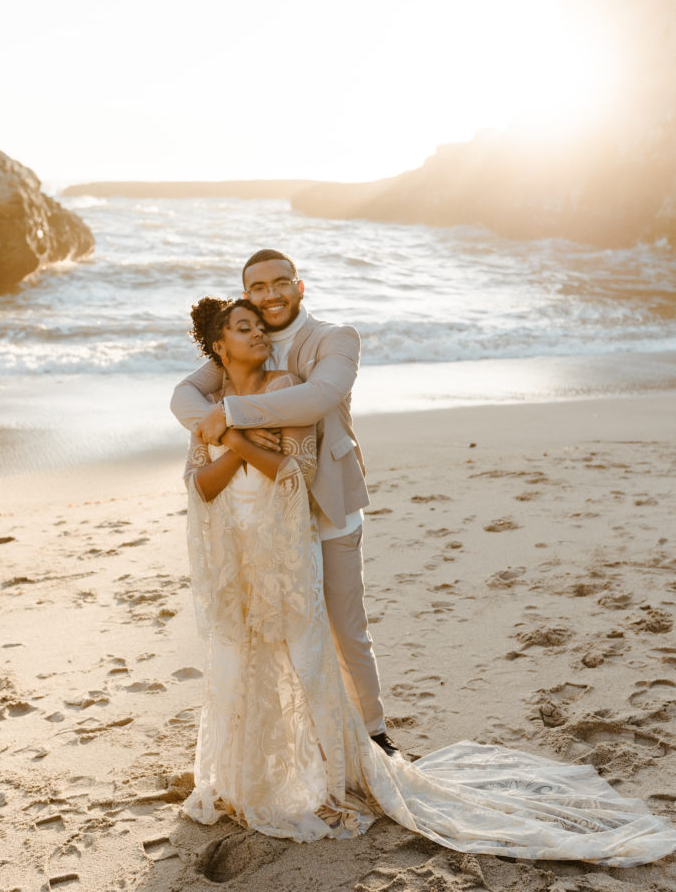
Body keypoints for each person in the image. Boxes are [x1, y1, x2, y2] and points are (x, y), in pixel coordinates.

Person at [180, 294, 676, 862]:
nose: (258, 334)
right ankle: (247, 783)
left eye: (258, 326)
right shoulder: (206, 401)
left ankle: (330, 777)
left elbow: (298, 470)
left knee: (307, 658)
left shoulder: (287, 386)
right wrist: (229, 440)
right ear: (219, 346)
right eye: (244, 328)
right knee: (241, 664)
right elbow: (200, 485)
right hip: (237, 555)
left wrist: (235, 438)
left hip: (287, 557)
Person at [171, 249, 396, 754]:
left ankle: (376, 734)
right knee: (288, 633)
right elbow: (184, 397)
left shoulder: (336, 338)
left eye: (280, 283)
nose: (269, 294)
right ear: (246, 293)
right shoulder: (248, 337)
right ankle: (304, 737)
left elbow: (318, 398)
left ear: (299, 286)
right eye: (257, 287)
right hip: (268, 517)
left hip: (326, 498)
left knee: (344, 627)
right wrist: (226, 433)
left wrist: (229, 412)